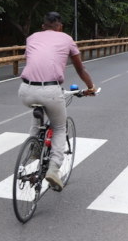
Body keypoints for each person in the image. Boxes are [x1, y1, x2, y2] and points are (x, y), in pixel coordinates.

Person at [19, 12, 96, 190]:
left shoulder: (32, 38)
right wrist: (90, 87)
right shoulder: (66, 39)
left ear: (43, 26)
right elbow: (80, 69)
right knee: (60, 127)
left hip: (25, 90)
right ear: (60, 26)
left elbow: (33, 60)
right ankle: (53, 169)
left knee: (37, 116)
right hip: (51, 90)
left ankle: (34, 149)